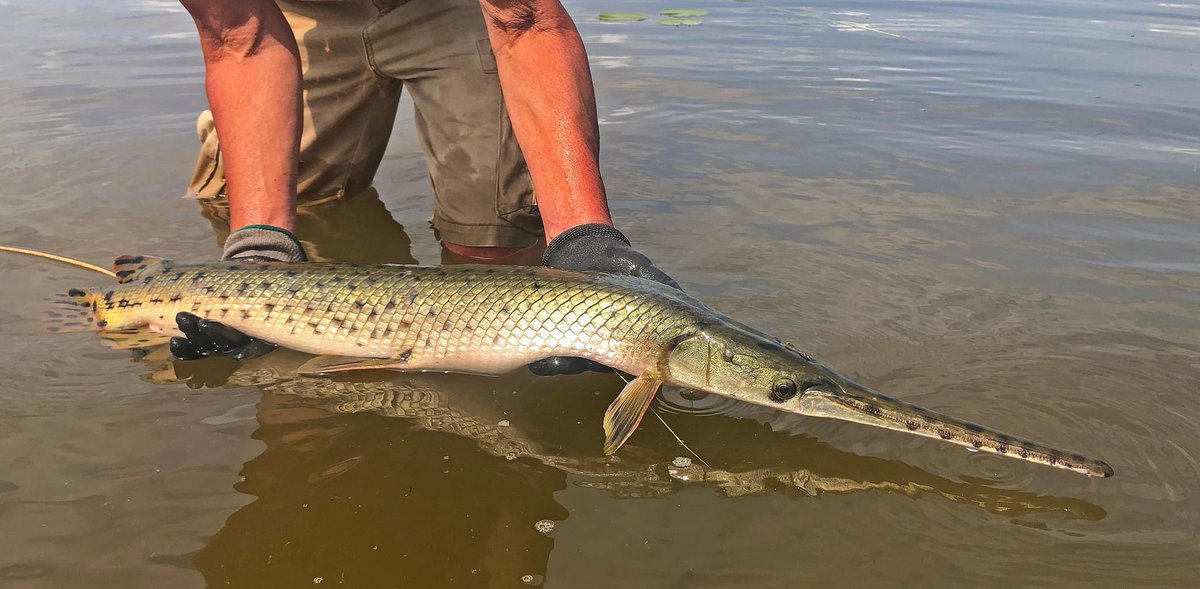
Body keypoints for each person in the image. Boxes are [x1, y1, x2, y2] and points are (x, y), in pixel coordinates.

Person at [170, 0, 677, 373]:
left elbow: (524, 20)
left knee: (494, 232)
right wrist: (258, 251)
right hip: (288, 14)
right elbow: (241, 39)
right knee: (235, 208)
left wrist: (582, 236)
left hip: (459, 9)